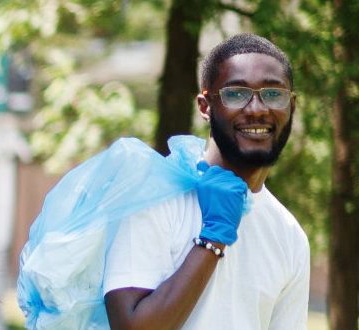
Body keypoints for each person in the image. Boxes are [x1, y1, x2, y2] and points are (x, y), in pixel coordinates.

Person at [101, 33, 308, 330]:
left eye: (274, 94)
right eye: (236, 93)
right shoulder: (156, 200)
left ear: (292, 105)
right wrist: (214, 239)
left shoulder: (289, 236)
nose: (258, 108)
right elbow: (132, 327)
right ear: (204, 106)